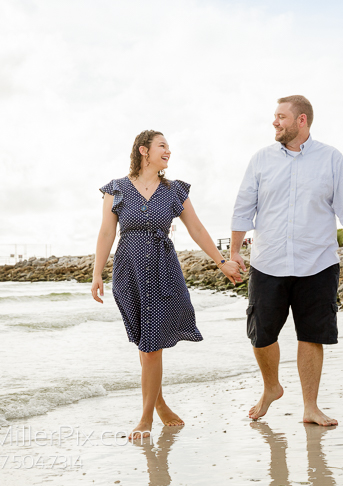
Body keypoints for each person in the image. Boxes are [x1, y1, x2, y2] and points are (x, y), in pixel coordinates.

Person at [92, 130, 242, 439]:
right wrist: (96, 274)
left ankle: (145, 418)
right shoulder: (116, 189)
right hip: (128, 271)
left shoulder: (174, 191)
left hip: (163, 271)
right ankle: (159, 405)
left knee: (152, 346)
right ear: (144, 151)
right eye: (163, 146)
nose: (168, 152)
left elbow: (197, 228)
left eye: (169, 147)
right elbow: (106, 233)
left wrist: (221, 261)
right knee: (145, 343)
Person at [230, 95, 343, 426]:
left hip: (317, 262)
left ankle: (310, 406)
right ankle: (271, 387)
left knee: (311, 334)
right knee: (261, 334)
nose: (275, 122)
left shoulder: (331, 158)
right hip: (268, 261)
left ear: (301, 120)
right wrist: (235, 251)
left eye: (281, 117)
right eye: (274, 116)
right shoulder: (261, 159)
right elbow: (243, 206)